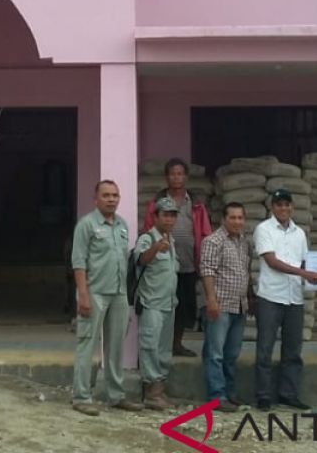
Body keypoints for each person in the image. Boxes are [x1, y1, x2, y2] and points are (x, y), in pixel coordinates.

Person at [70, 180, 143, 416]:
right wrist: (83, 295)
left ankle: (116, 395)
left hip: (119, 293)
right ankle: (81, 396)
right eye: (106, 195)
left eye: (115, 195)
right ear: (96, 199)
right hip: (94, 293)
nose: (111, 199)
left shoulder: (121, 225)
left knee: (115, 347)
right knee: (87, 344)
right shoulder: (86, 225)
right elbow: (79, 262)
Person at [253, 188, 317, 411]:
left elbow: (305, 263)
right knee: (265, 348)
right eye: (279, 204)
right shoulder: (263, 229)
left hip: (294, 298)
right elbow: (272, 261)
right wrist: (304, 274)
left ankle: (288, 394)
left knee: (293, 350)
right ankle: (263, 395)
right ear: (272, 207)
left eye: (287, 204)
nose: (283, 208)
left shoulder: (299, 233)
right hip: (270, 296)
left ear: (292, 207)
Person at [142, 158, 213, 357]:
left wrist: (203, 258)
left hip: (188, 262)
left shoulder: (196, 203)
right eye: (172, 173)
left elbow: (205, 232)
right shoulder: (157, 202)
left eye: (180, 173)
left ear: (186, 177)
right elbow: (148, 227)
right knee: (162, 304)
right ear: (166, 177)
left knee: (183, 306)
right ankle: (160, 345)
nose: (176, 177)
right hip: (163, 263)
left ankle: (177, 344)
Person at [199, 202, 255, 412]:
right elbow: (207, 271)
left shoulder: (243, 242)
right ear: (224, 219)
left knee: (231, 354)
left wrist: (249, 299)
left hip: (239, 305)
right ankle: (217, 396)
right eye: (233, 217)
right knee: (215, 353)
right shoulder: (213, 241)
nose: (237, 222)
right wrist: (211, 300)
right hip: (220, 305)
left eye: (240, 218)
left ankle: (230, 394)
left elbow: (245, 272)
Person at [134, 196, 181, 410]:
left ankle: (159, 391)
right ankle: (151, 393)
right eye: (166, 215)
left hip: (168, 303)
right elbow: (141, 259)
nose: (169, 219)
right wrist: (155, 248)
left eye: (173, 215)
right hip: (151, 302)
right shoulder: (147, 238)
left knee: (163, 349)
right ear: (156, 216)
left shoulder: (171, 240)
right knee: (150, 346)